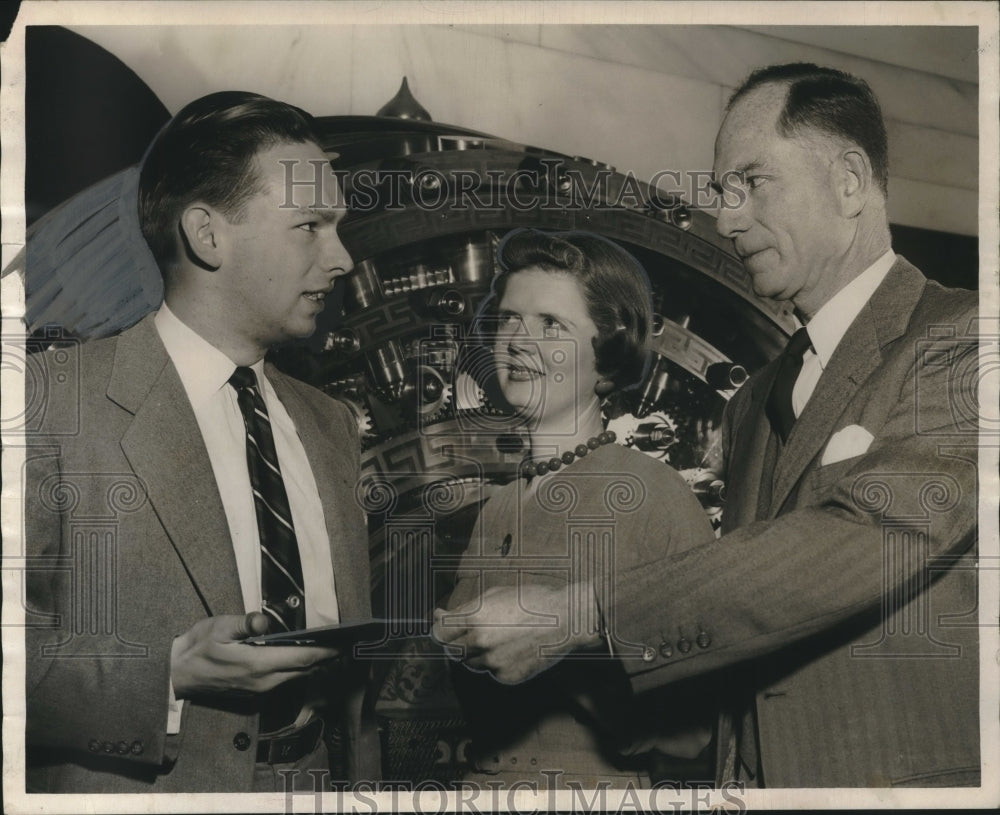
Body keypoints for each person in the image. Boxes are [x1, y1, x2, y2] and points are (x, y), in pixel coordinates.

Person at [434, 64, 980, 788]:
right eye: (721, 192)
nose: (725, 218)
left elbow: (876, 535)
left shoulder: (965, 337)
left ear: (849, 181)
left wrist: (584, 611)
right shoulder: (753, 401)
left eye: (750, 183)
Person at [24, 91, 380, 792]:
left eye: (338, 226)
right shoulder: (49, 402)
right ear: (207, 234)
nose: (340, 257)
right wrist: (167, 677)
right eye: (310, 225)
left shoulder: (330, 422)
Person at [441, 229, 716, 788]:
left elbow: (698, 731)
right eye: (509, 319)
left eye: (552, 326)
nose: (518, 341)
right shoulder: (497, 506)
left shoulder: (654, 495)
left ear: (607, 352)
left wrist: (565, 651)